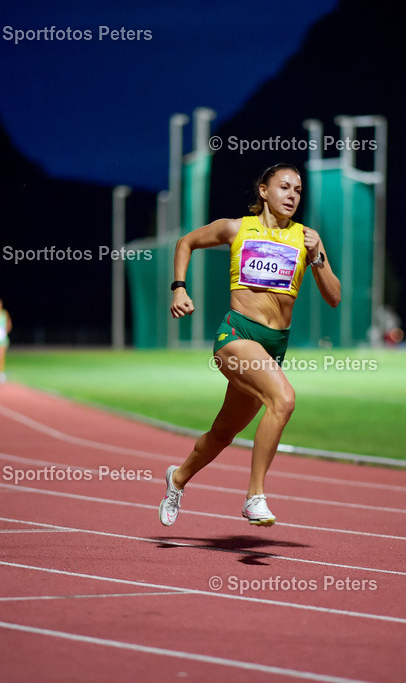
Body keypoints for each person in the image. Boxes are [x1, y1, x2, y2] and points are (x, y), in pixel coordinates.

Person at [158, 163, 341, 527]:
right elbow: (186, 242)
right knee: (284, 400)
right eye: (284, 187)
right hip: (236, 336)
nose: (292, 195)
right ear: (263, 191)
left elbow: (334, 297)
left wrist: (318, 255)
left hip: (273, 347)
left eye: (298, 190)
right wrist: (179, 287)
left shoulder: (307, 237)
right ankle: (254, 496)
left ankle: (176, 479)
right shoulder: (237, 228)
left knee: (223, 433)